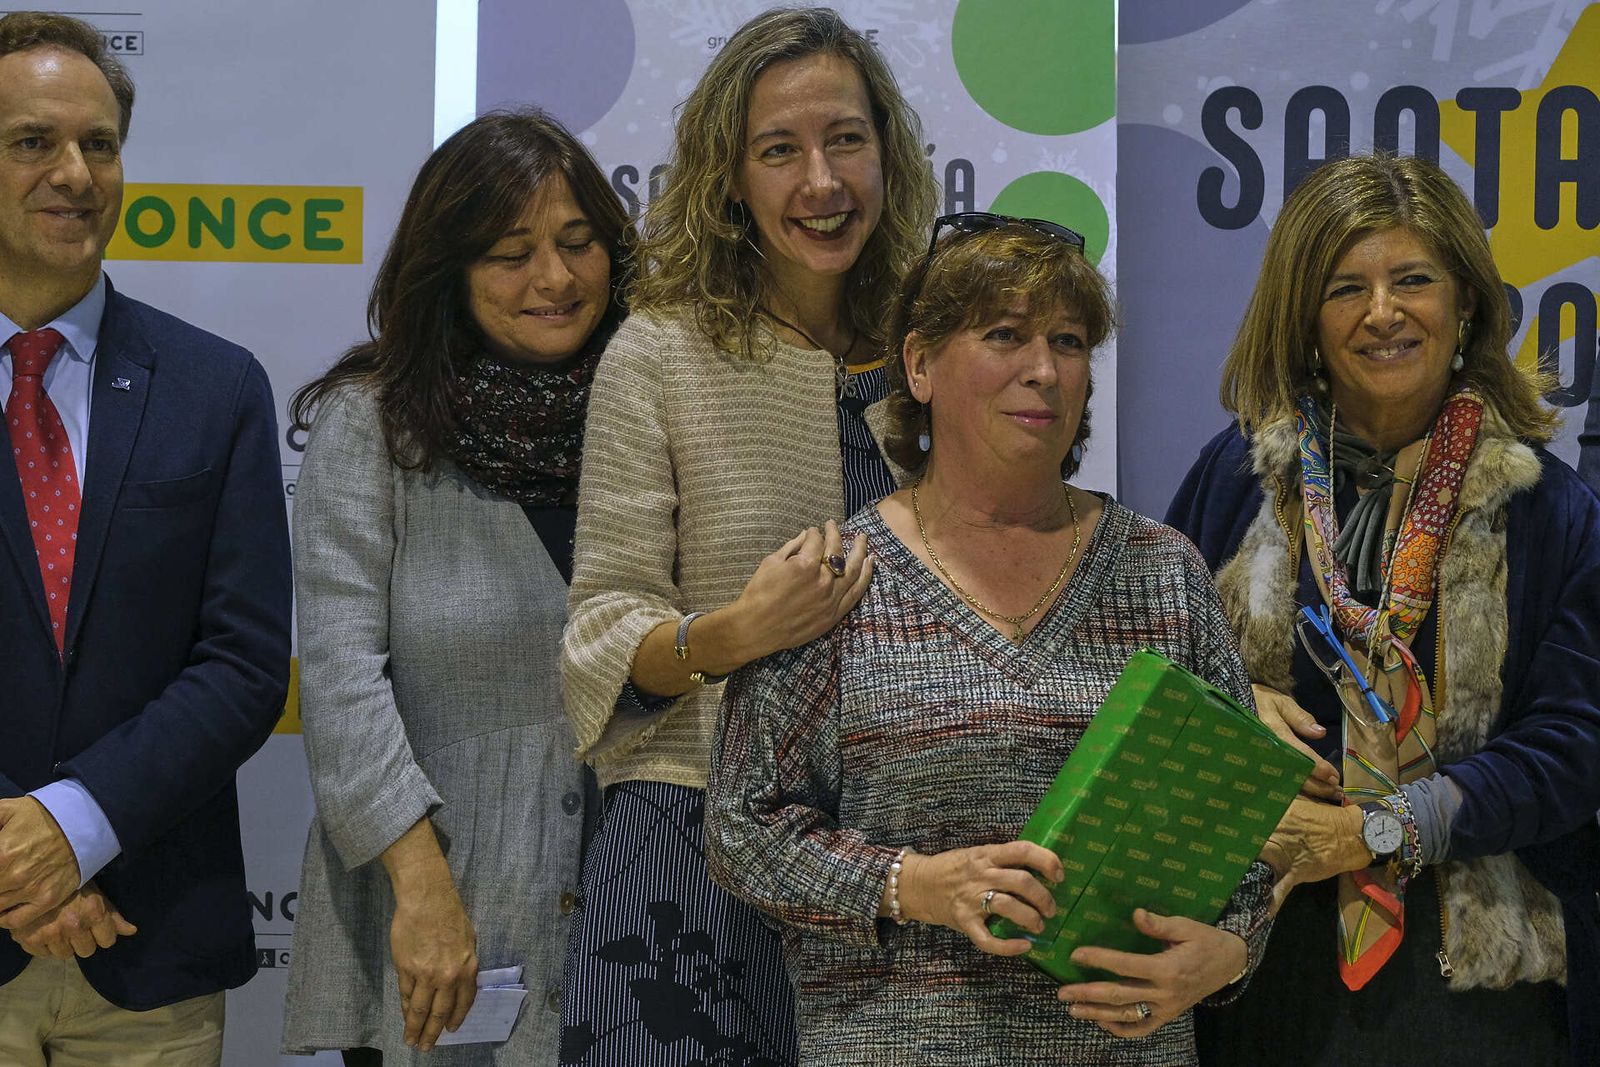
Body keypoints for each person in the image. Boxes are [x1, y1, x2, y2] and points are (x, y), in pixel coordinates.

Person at [703, 217, 1274, 1066]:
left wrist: (1230, 952)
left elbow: (1244, 838)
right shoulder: (839, 580)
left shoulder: (1164, 571)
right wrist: (914, 884)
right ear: (920, 365)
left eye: (1069, 341)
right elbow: (741, 829)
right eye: (1004, 335)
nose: (1043, 369)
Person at [558, 7, 938, 1064]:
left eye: (845, 139)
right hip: (692, 837)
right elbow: (599, 628)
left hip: (894, 842)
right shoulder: (659, 353)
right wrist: (731, 632)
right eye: (779, 150)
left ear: (888, 152)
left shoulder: (940, 339)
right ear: (730, 175)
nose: (821, 181)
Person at [1166, 153, 1600, 1065]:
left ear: (1467, 302)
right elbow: (1152, 682)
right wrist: (1232, 706)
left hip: (1482, 978)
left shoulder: (1552, 509)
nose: (1383, 312)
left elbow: (1575, 747)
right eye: (1345, 287)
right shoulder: (1232, 478)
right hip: (1256, 958)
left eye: (1413, 280)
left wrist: (1379, 827)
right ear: (1304, 318)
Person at [279, 112, 633, 1065]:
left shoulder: (651, 414)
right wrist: (423, 890)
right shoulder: (374, 427)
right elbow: (343, 680)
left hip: (634, 913)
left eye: (576, 243)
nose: (554, 280)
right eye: (511, 253)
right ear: (450, 269)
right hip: (440, 914)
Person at [0, 12, 291, 1064]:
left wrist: (75, 828)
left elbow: (244, 663)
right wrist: (18, 859)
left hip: (148, 946)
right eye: (33, 141)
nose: (73, 172)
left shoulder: (216, 389)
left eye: (99, 144)